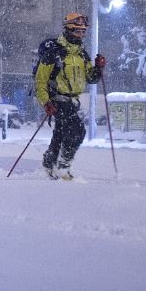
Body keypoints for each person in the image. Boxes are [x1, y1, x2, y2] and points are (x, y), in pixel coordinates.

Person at [33, 13, 106, 180]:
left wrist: (98, 68)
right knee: (77, 132)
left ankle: (49, 163)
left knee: (61, 133)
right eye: (77, 31)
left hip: (73, 101)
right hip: (57, 99)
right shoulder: (54, 53)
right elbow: (40, 81)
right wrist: (46, 102)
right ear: (68, 30)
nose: (81, 34)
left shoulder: (82, 54)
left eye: (83, 31)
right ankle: (63, 166)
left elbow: (91, 78)